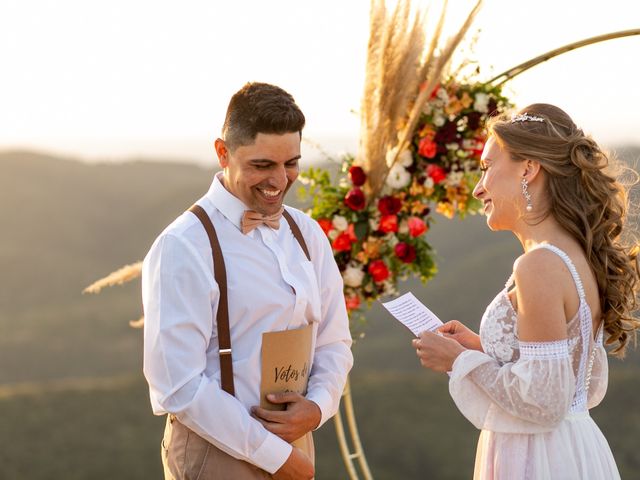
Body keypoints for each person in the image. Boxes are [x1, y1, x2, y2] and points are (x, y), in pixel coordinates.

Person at [412, 103, 639, 479]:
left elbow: (546, 403)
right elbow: (575, 381)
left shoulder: (538, 266)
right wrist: (480, 348)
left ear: (529, 169)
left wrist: (459, 362)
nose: (477, 188)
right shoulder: (577, 256)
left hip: (539, 459)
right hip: (572, 449)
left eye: (486, 168)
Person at [142, 82, 353, 479]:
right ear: (223, 152)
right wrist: (274, 455)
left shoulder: (307, 233)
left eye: (291, 163)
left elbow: (334, 339)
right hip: (217, 452)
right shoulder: (184, 245)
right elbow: (177, 384)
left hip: (297, 438)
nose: (280, 180)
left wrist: (319, 407)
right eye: (262, 165)